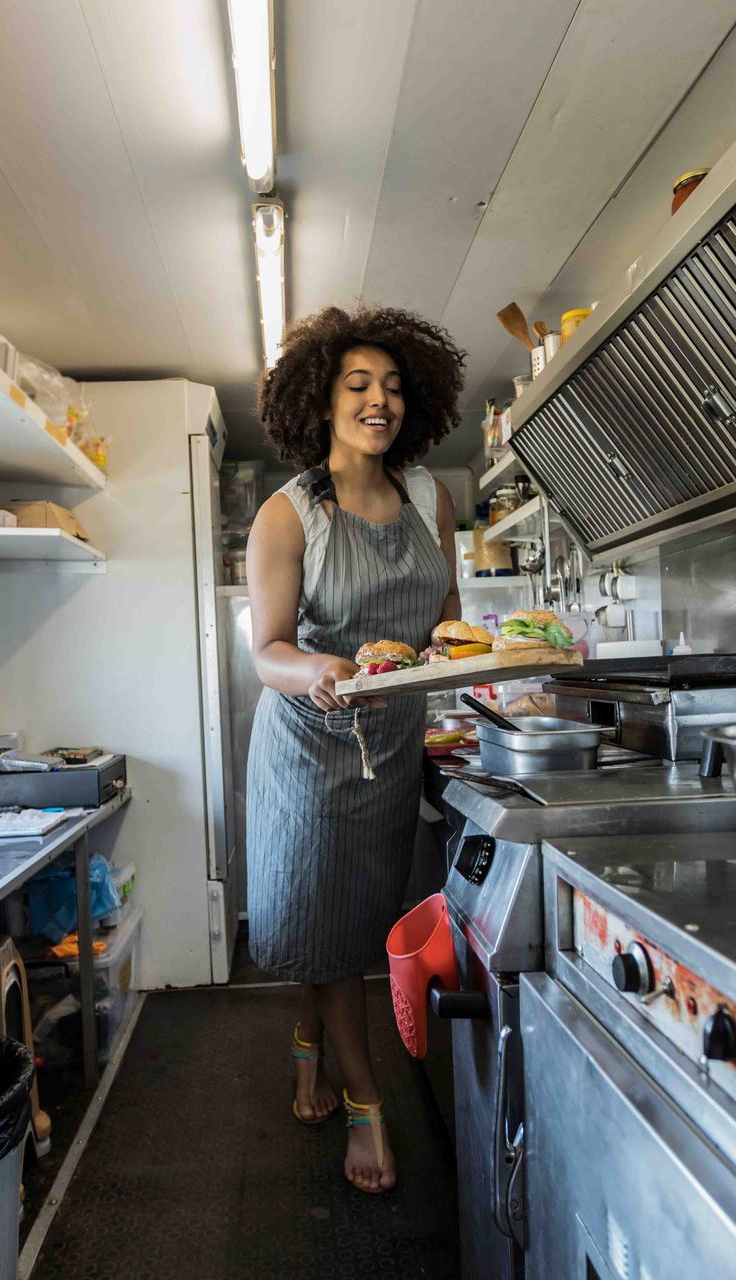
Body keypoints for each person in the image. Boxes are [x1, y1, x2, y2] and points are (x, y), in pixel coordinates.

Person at [244, 303, 465, 1194]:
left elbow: (443, 614)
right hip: (312, 749)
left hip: (394, 742)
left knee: (345, 925)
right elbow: (267, 651)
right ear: (321, 400)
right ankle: (367, 1105)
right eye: (358, 385)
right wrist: (318, 671)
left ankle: (310, 1045)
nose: (381, 401)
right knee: (325, 926)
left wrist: (473, 650)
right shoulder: (288, 515)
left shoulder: (428, 496)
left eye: (394, 387)